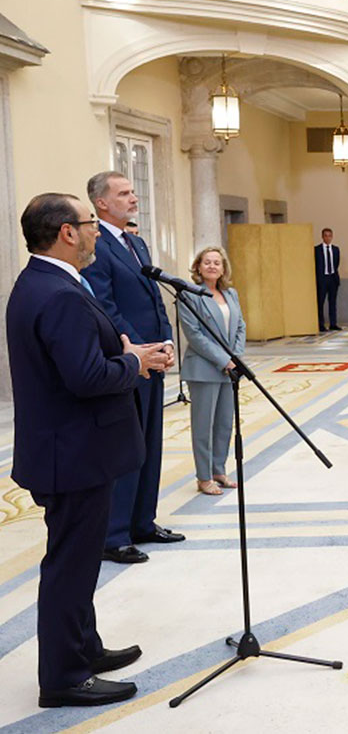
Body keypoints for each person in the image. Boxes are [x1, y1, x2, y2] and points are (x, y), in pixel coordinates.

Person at [8, 193, 169, 707]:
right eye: (90, 223)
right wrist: (134, 364)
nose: (98, 231)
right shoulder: (56, 293)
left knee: (76, 563)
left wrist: (126, 354)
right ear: (66, 233)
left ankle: (86, 649)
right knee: (69, 568)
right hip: (73, 454)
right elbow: (86, 377)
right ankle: (64, 677)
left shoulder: (48, 283)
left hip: (72, 449)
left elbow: (83, 361)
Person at [82, 171, 183, 565]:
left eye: (132, 191)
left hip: (153, 357)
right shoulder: (97, 245)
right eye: (123, 193)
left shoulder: (136, 243)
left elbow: (154, 297)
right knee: (126, 449)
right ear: (101, 203)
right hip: (128, 360)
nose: (133, 198)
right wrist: (139, 350)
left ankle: (143, 521)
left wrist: (167, 340)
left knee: (151, 444)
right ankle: (115, 533)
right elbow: (105, 307)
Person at [179, 246, 248, 496]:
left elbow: (240, 325)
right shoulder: (189, 295)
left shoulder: (231, 294)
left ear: (223, 268)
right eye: (206, 262)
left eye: (216, 263)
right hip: (203, 369)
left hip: (229, 369)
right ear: (198, 267)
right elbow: (195, 336)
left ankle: (219, 469)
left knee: (224, 424)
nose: (211, 266)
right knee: (203, 426)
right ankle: (204, 476)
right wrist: (225, 360)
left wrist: (236, 358)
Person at [314, 227, 341, 332]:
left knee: (332, 302)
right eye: (325, 235)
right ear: (322, 237)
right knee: (320, 302)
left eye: (330, 236)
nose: (328, 238)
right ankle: (320, 324)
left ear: (332, 237)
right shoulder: (317, 250)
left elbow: (336, 263)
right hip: (322, 279)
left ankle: (333, 323)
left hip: (332, 278)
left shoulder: (335, 249)